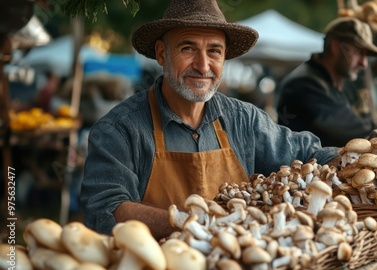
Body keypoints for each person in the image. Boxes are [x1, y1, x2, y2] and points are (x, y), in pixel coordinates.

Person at [80, 0, 339, 240]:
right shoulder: (119, 130)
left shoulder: (244, 121)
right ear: (161, 54)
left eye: (214, 51)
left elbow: (310, 154)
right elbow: (105, 210)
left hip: (235, 267)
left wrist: (355, 157)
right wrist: (195, 224)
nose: (203, 66)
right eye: (188, 48)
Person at [276, 17, 377, 147]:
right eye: (359, 52)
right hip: (302, 166)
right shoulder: (303, 85)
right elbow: (355, 131)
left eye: (366, 56)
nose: (364, 63)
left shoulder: (331, 83)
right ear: (335, 47)